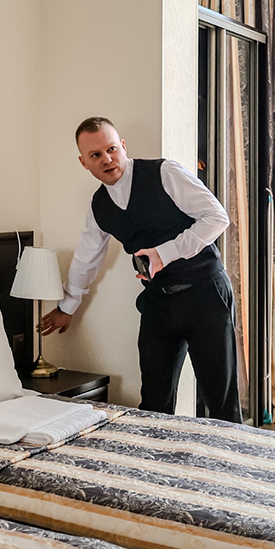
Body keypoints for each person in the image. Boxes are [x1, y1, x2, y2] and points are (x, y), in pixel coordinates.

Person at [38, 117, 242, 423]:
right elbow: (87, 258)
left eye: (111, 149)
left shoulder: (164, 173)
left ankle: (234, 454)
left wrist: (163, 254)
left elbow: (216, 217)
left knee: (221, 403)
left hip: (206, 295)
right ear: (84, 162)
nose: (107, 159)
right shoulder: (99, 206)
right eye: (96, 155)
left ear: (122, 146)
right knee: (154, 404)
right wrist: (67, 307)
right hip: (158, 304)